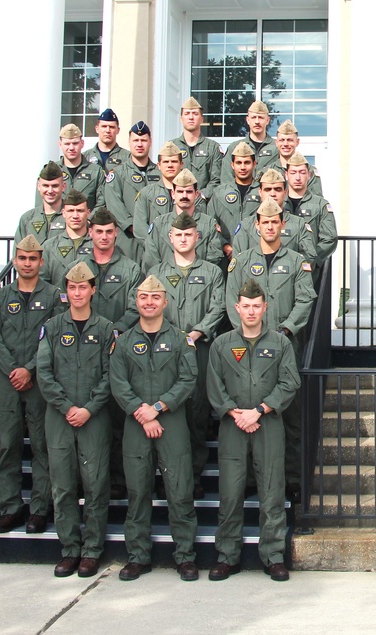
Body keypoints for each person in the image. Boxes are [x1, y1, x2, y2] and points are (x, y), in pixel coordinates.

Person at [207, 278, 300, 582]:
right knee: (230, 493)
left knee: (272, 491)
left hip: (268, 424)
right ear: (237, 308)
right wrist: (235, 413)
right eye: (245, 306)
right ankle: (226, 555)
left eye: (255, 306)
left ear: (265, 308)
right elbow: (214, 384)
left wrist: (259, 410)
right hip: (232, 425)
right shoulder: (222, 344)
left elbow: (290, 383)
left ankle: (273, 556)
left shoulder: (280, 343)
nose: (250, 311)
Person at [109, 275, 200, 582]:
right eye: (143, 298)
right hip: (136, 424)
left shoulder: (180, 339)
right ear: (137, 302)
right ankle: (137, 556)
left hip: (171, 421)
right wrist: (142, 413)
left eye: (155, 297)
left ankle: (185, 557)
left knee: (180, 491)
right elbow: (118, 383)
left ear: (165, 301)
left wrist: (158, 408)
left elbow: (188, 379)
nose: (149, 302)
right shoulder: (122, 343)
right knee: (137, 493)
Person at [225, 197, 316, 495]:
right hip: (248, 349)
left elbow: (306, 299)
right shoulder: (242, 261)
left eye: (274, 222)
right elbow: (231, 301)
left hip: (285, 346)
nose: (269, 226)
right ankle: (251, 479)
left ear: (282, 225)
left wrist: (287, 328)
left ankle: (292, 479)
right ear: (257, 225)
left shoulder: (295, 261)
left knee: (289, 416)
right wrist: (247, 331)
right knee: (249, 410)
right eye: (264, 222)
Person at [35, 262, 115, 578]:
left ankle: (91, 551)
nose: (78, 292)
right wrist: (67, 406)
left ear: (93, 290)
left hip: (93, 418)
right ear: (66, 292)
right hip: (59, 417)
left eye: (83, 287)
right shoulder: (52, 328)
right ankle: (69, 550)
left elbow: (111, 375)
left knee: (95, 485)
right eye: (72, 287)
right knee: (63, 485)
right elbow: (44, 372)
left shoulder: (107, 329)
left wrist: (88, 408)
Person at [0, 235, 65, 534]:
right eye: (22, 258)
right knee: (9, 446)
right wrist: (12, 369)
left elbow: (53, 338)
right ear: (15, 261)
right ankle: (10, 508)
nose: (27, 263)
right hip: (7, 381)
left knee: (42, 447)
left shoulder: (55, 296)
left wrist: (30, 369)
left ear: (41, 262)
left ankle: (40, 509)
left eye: (33, 258)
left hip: (39, 380)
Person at [148, 213, 227, 498]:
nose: (183, 239)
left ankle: (192, 476)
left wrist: (197, 333)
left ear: (198, 237)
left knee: (196, 412)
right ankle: (166, 475)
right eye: (178, 235)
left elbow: (218, 307)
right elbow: (149, 306)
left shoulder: (212, 272)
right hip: (164, 351)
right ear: (170, 238)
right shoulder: (156, 273)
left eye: (188, 234)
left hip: (199, 348)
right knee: (166, 412)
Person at [70, 207, 142, 500]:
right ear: (90, 232)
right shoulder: (77, 267)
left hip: (118, 350)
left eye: (109, 231)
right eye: (98, 231)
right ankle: (82, 480)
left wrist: (114, 331)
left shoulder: (130, 268)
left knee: (115, 419)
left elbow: (134, 307)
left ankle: (116, 479)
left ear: (115, 233)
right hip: (81, 354)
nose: (103, 236)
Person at [144, 168, 226, 272]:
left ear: (196, 194)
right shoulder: (158, 224)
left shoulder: (209, 224)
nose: (184, 196)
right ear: (173, 194)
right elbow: (151, 261)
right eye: (180, 191)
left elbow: (214, 260)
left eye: (188, 192)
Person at [104, 121, 160, 260]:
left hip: (156, 239)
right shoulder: (118, 174)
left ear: (150, 142)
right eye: (135, 140)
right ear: (129, 142)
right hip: (127, 239)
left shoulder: (160, 173)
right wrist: (134, 227)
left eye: (143, 140)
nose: (139, 144)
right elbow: (115, 206)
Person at [132, 141, 185, 265]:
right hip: (154, 259)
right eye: (166, 162)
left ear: (181, 164)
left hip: (184, 257)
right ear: (158, 165)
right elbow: (140, 229)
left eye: (174, 161)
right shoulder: (146, 194)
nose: (170, 165)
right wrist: (158, 248)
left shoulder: (189, 194)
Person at [208, 141, 262, 259]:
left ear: (254, 164)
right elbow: (211, 224)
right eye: (239, 163)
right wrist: (225, 246)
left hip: (256, 256)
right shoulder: (219, 193)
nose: (243, 167)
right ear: (232, 165)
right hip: (225, 256)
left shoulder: (262, 192)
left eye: (247, 162)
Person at [285, 151, 337, 268]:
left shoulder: (320, 205)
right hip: (283, 269)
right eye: (293, 173)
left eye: (302, 173)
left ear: (309, 175)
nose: (297, 177)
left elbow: (329, 239)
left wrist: (313, 259)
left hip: (310, 269)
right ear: (286, 175)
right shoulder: (279, 204)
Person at [172, 96, 224, 201]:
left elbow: (217, 180)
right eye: (187, 114)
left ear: (201, 119)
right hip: (177, 204)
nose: (191, 117)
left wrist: (201, 195)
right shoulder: (172, 147)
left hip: (205, 204)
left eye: (195, 114)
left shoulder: (213, 147)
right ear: (181, 118)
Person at [39, 189, 92, 285]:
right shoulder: (49, 247)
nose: (75, 216)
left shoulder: (97, 245)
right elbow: (42, 283)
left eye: (80, 211)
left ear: (88, 213)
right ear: (63, 213)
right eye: (71, 211)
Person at [49, 123, 105, 210]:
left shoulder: (96, 171)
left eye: (75, 143)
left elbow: (102, 202)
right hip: (57, 223)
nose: (71, 148)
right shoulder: (52, 171)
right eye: (67, 144)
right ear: (60, 145)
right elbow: (43, 203)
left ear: (82, 143)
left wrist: (89, 220)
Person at [224, 100, 278, 182]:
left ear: (267, 120)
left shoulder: (277, 147)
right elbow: (226, 180)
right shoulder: (234, 148)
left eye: (260, 117)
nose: (257, 122)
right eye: (253, 117)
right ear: (248, 120)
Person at [15, 161, 66, 243]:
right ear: (38, 186)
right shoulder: (27, 218)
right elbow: (18, 253)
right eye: (45, 185)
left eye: (55, 186)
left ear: (63, 187)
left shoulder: (71, 217)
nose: (50, 191)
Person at [275, 120, 324, 196]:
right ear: (276, 142)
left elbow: (316, 201)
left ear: (297, 142)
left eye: (290, 140)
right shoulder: (268, 171)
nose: (285, 144)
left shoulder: (310, 171)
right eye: (282, 140)